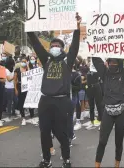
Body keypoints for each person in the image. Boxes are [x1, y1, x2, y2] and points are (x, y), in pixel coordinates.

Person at [27, 12, 81, 168]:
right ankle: (46, 160)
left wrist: (77, 28)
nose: (55, 47)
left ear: (62, 48)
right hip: (45, 101)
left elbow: (75, 46)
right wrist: (30, 28)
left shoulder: (67, 61)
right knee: (44, 132)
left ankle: (66, 159)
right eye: (52, 46)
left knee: (61, 133)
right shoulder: (46, 59)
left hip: (61, 101)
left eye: (57, 46)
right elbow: (36, 44)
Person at [93, 57, 124, 168]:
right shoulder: (105, 74)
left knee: (118, 142)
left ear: (119, 63)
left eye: (115, 62)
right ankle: (97, 165)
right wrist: (93, 43)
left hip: (122, 112)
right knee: (102, 141)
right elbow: (96, 59)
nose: (112, 64)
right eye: (110, 62)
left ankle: (117, 164)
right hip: (108, 112)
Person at [14, 56, 36, 125]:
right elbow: (15, 80)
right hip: (20, 87)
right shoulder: (17, 70)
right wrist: (16, 89)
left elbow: (31, 77)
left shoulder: (29, 69)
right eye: (22, 61)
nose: (23, 63)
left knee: (30, 103)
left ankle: (32, 117)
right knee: (21, 103)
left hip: (28, 88)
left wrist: (28, 67)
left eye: (25, 62)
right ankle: (23, 118)